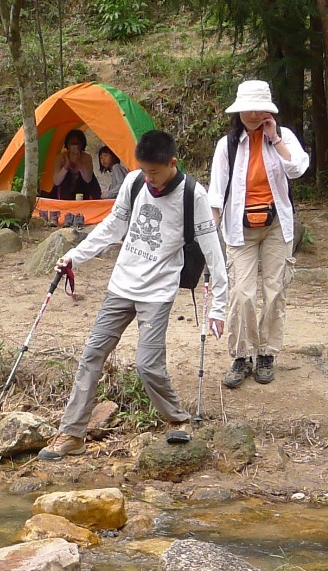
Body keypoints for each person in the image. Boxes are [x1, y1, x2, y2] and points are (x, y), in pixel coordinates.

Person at [38, 129, 228, 460]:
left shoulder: (193, 195)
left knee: (147, 364)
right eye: (144, 171)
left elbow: (213, 251)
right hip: (121, 284)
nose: (150, 180)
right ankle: (71, 434)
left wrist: (219, 308)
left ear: (173, 163)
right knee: (92, 354)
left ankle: (178, 420)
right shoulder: (135, 182)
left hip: (158, 289)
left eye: (155, 172)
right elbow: (113, 227)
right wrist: (75, 256)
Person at [207, 79, 310, 389]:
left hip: (277, 225)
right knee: (242, 293)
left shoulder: (282, 138)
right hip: (239, 229)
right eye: (246, 110)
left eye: (258, 109)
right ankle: (241, 356)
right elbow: (215, 193)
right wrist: (209, 236)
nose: (252, 115)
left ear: (267, 110)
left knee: (275, 289)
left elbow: (297, 168)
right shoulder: (227, 145)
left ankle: (266, 353)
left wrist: (274, 138)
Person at [47, 128, 98, 201]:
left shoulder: (86, 157)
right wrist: (66, 166)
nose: (75, 145)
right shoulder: (61, 157)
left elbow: (88, 179)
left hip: (82, 192)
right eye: (72, 143)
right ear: (67, 144)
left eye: (77, 143)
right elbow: (56, 181)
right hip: (64, 194)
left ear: (82, 145)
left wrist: (80, 164)